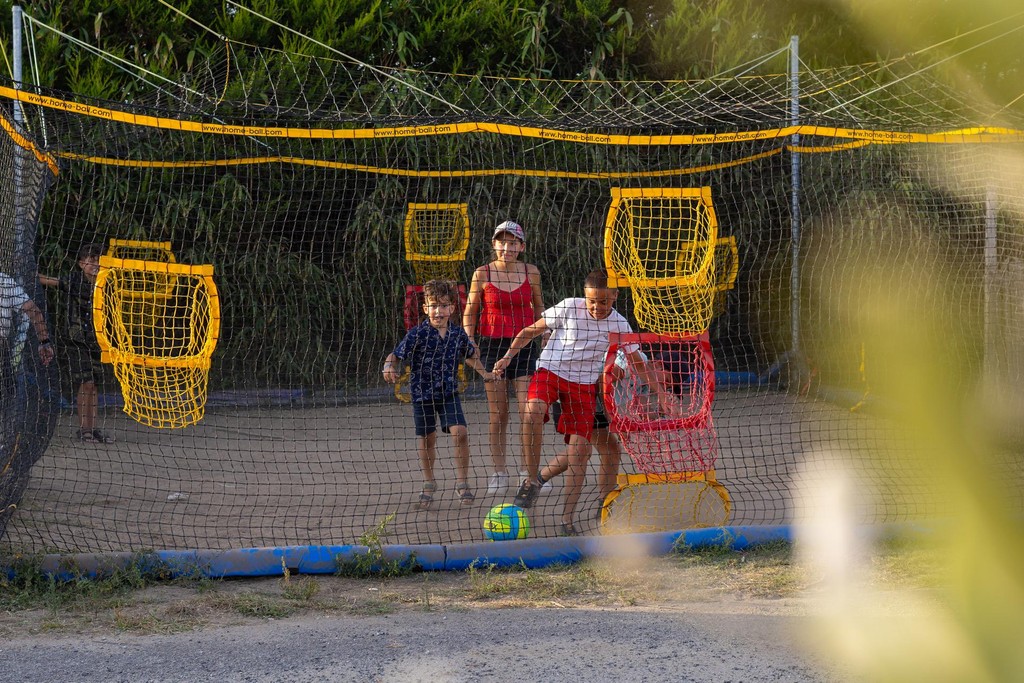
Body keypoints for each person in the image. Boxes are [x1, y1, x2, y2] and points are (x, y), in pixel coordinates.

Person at [493, 269, 666, 535]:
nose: (596, 307)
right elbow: (529, 331)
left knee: (581, 452)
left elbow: (639, 366)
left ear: (615, 296)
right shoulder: (569, 307)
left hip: (584, 387)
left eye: (603, 301)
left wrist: (662, 396)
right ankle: (531, 479)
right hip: (551, 372)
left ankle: (567, 520)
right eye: (591, 301)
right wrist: (507, 357)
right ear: (584, 296)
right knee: (532, 411)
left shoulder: (620, 326)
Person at [383, 279, 494, 509]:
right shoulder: (417, 334)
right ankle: (429, 483)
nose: (438, 311)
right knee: (427, 438)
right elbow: (395, 354)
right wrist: (388, 366)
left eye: (443, 305)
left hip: (449, 393)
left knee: (460, 432)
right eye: (433, 305)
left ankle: (462, 483)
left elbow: (470, 356)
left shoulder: (457, 334)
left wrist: (486, 374)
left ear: (452, 308)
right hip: (422, 396)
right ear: (425, 308)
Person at [462, 220, 544, 494]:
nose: (506, 248)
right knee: (499, 415)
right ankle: (499, 472)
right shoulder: (481, 273)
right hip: (491, 347)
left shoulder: (531, 272)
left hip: (525, 347)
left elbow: (539, 307)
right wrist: (469, 339)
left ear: (521, 246)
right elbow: (471, 311)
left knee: (527, 412)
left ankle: (528, 473)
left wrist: (545, 334)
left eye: (512, 243)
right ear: (494, 244)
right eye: (501, 242)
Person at [38, 243, 114, 443]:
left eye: (98, 261)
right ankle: (84, 429)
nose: (95, 265)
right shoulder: (73, 281)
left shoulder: (106, 283)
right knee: (85, 382)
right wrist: (28, 274)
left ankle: (93, 428)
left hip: (98, 340)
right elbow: (49, 280)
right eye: (91, 261)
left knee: (95, 384)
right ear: (81, 264)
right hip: (76, 340)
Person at [2, 271, 55, 455]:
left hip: (2, 351)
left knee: (9, 395)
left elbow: (33, 310)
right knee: (8, 397)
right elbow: (33, 310)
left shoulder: (4, 281)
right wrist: (44, 342)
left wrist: (44, 342)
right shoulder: (4, 280)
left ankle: (7, 442)